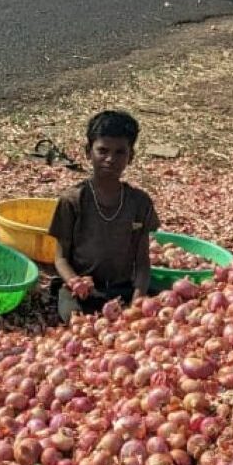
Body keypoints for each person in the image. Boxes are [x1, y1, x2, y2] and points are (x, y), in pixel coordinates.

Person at [49, 111, 162, 320]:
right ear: (88, 152)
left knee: (160, 309)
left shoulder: (139, 202)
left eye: (120, 152)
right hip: (82, 291)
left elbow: (143, 263)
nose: (110, 159)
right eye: (103, 150)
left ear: (131, 157)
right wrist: (75, 282)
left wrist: (136, 302)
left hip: (123, 289)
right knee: (73, 317)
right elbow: (61, 258)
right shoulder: (73, 200)